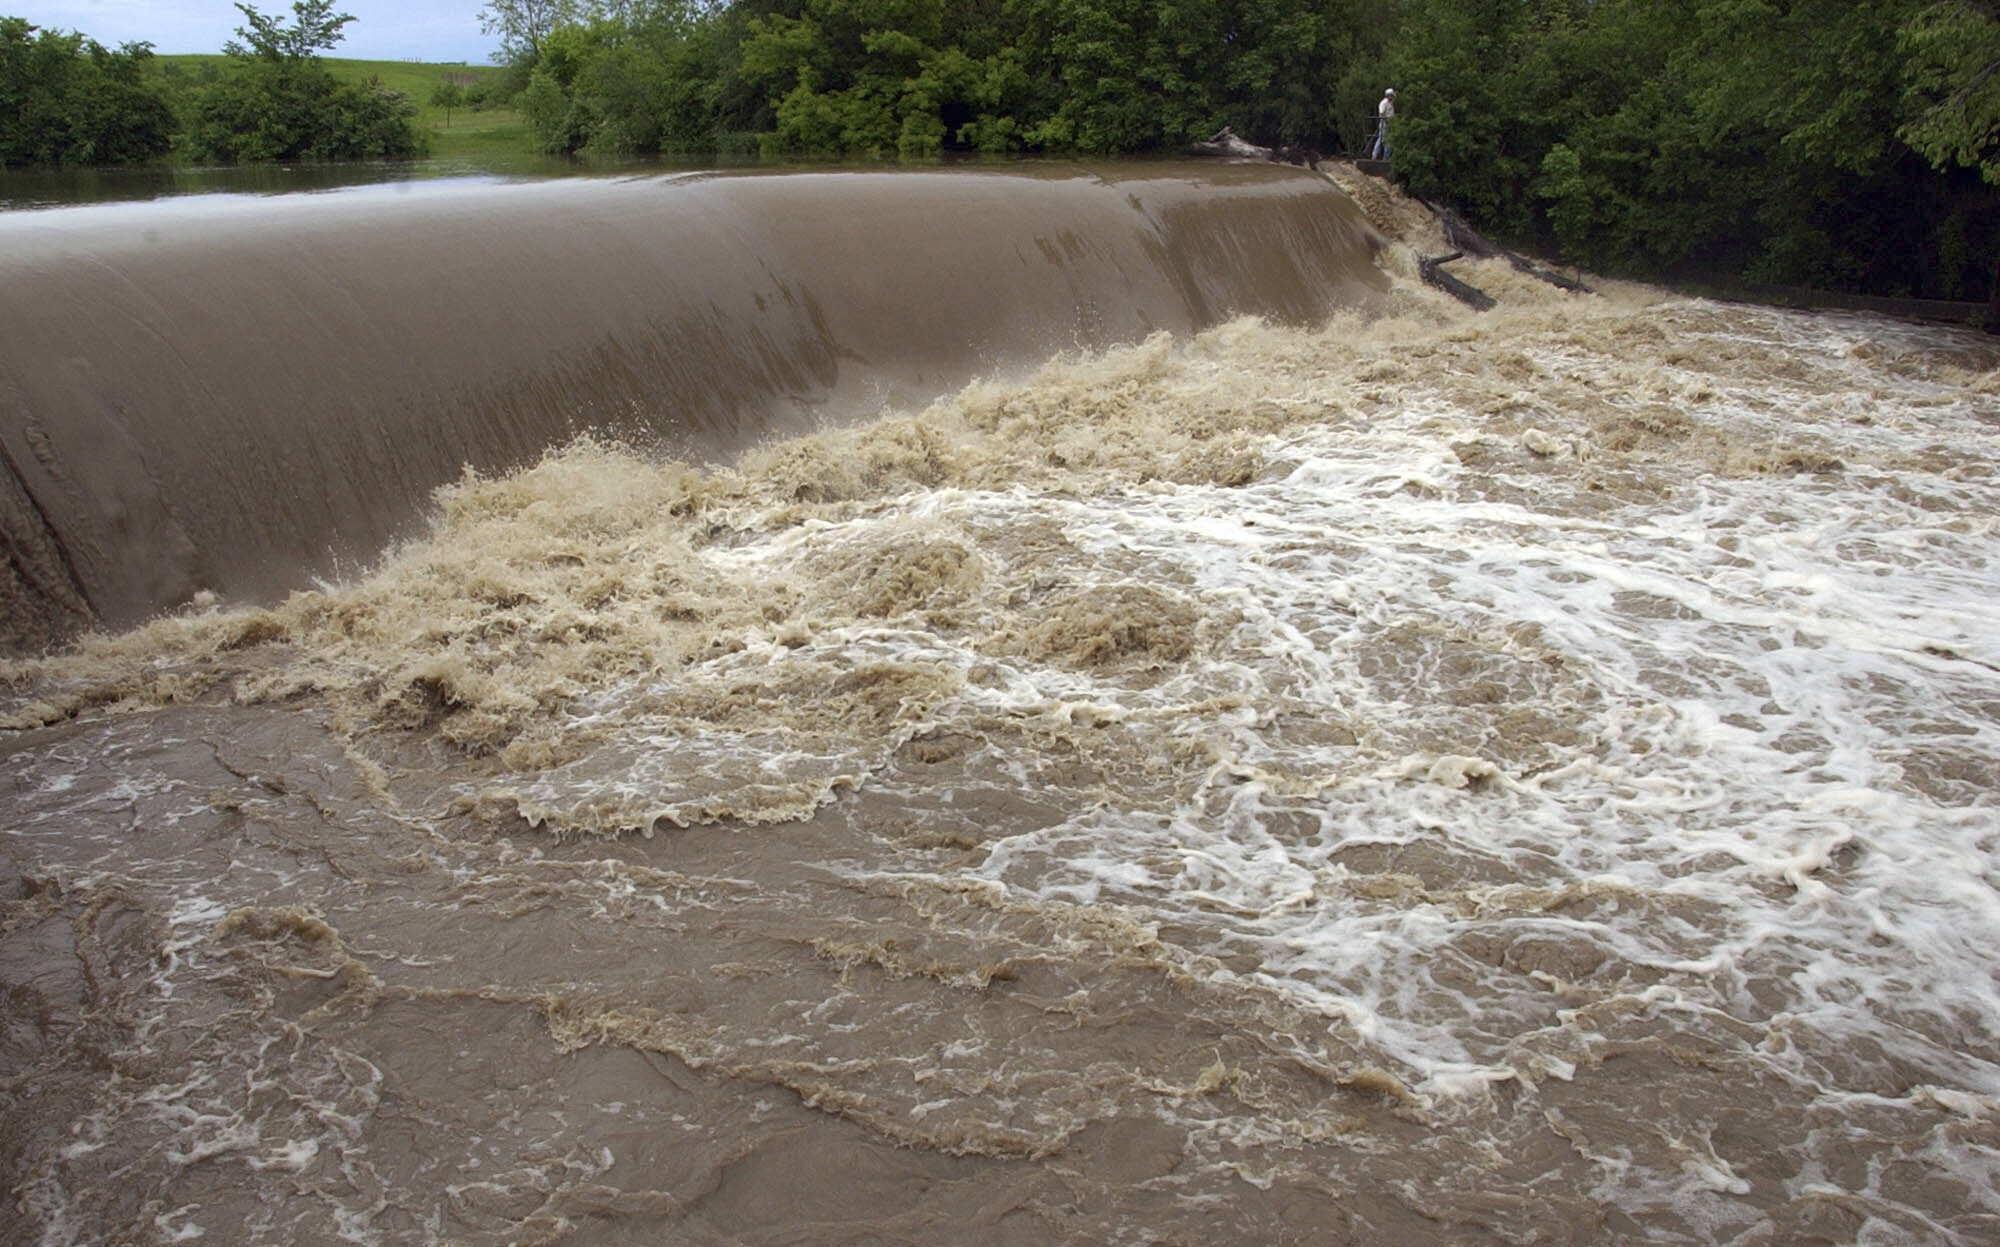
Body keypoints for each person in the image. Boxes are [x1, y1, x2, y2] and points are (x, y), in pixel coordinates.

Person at [1371, 88, 1396, 160]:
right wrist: (1387, 121)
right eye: (1391, 95)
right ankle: (1374, 155)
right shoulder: (1383, 103)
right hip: (1384, 123)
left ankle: (1386, 157)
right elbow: (1381, 113)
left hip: (1389, 124)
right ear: (1388, 95)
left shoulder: (1390, 103)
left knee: (1388, 140)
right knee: (1381, 139)